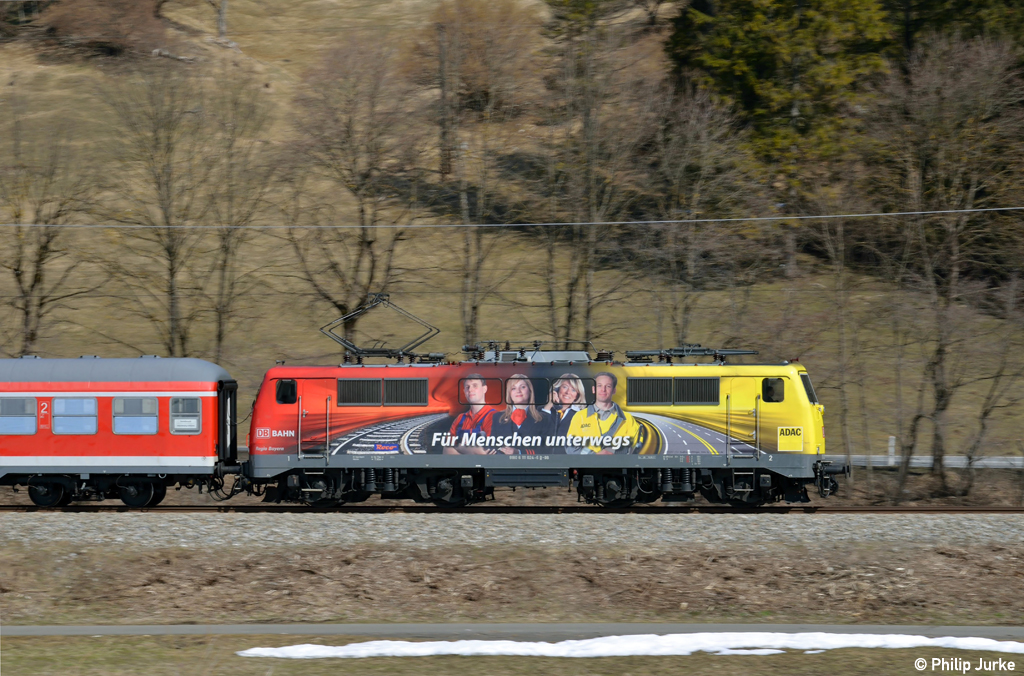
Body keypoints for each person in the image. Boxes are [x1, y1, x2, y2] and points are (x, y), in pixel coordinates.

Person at [565, 372, 640, 454]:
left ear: (614, 390)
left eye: (608, 386)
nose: (603, 390)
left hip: (617, 466)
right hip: (588, 466)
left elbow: (636, 446)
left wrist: (613, 451)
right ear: (593, 389)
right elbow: (571, 447)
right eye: (599, 385)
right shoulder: (579, 417)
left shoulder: (628, 419)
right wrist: (594, 456)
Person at [490, 374, 555, 455]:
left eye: (522, 387)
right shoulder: (497, 417)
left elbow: (546, 450)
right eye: (513, 388)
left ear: (530, 390)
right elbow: (493, 446)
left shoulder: (544, 418)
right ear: (509, 393)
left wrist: (519, 452)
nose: (518, 391)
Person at [443, 375, 498, 455]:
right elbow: (446, 449)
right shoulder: (460, 419)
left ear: (484, 389)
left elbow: (489, 453)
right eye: (467, 387)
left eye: (475, 386)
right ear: (464, 391)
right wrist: (474, 451)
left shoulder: (494, 416)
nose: (470, 390)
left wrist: (458, 447)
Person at [542, 373, 587, 438]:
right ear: (557, 389)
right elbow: (536, 433)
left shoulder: (582, 415)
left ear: (577, 395)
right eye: (565, 387)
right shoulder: (542, 409)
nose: (568, 392)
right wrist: (547, 407)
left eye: (573, 390)